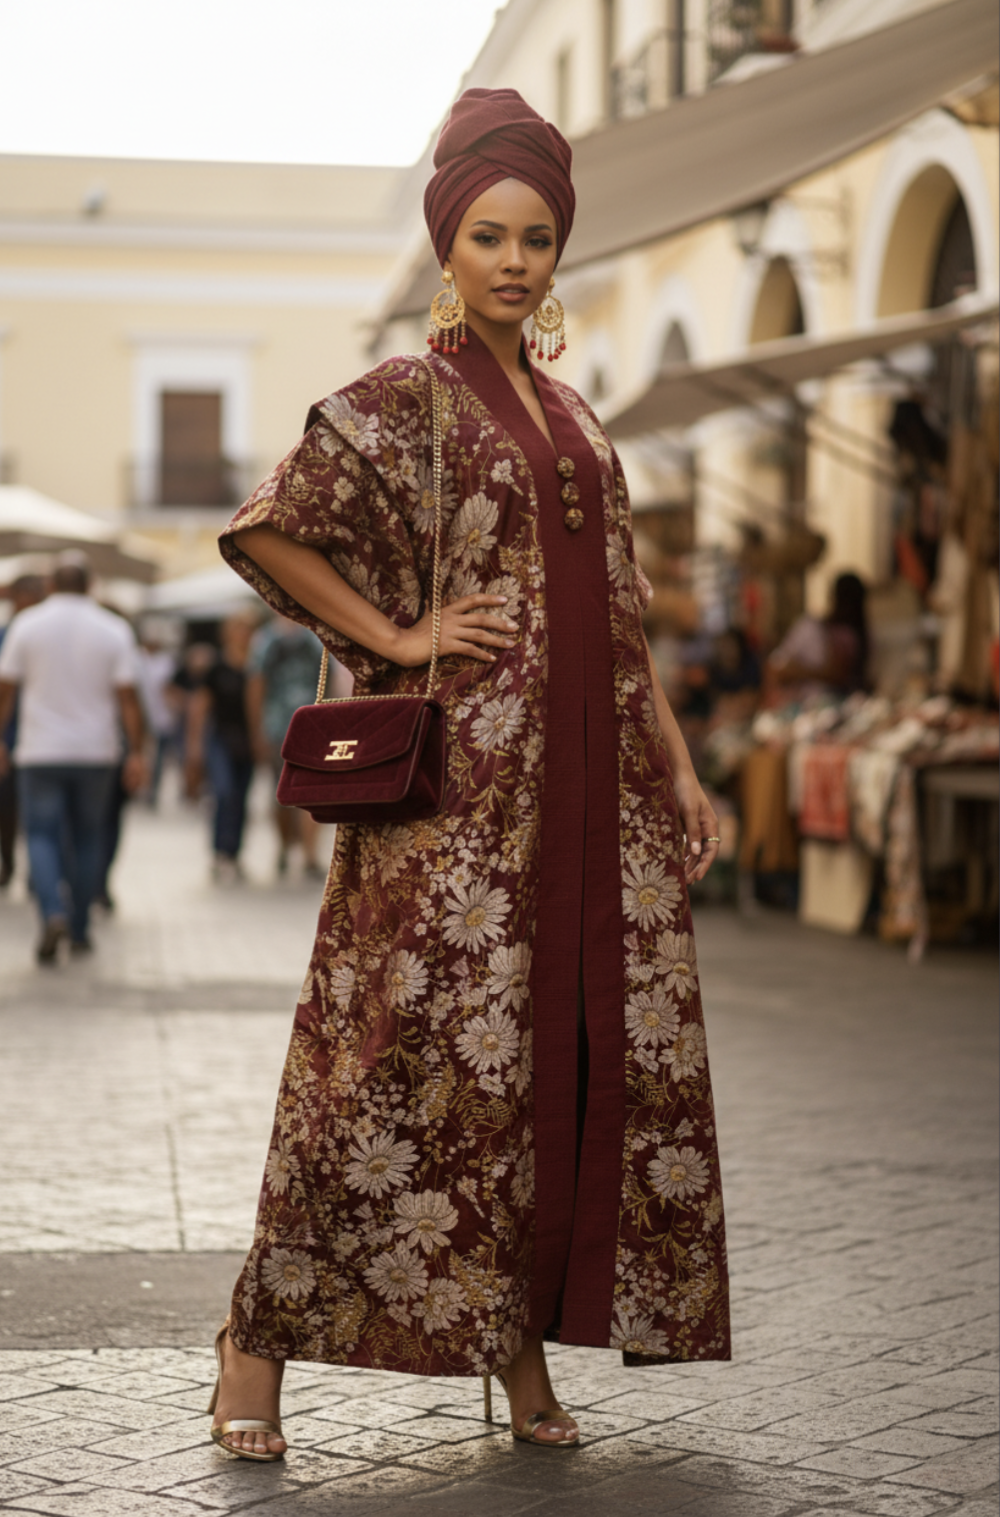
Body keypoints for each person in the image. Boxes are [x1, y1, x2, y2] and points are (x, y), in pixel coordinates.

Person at [208, 88, 730, 1462]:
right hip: (457, 816)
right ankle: (252, 1347)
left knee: (549, 1069)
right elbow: (273, 528)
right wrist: (397, 634)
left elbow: (620, 612)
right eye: (490, 234)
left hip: (592, 802)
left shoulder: (574, 409)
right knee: (382, 1067)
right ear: (450, 245)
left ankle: (519, 1354)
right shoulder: (407, 395)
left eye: (538, 236)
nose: (515, 259)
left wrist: (673, 767)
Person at [0, 555, 145, 962]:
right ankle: (80, 927)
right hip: (96, 752)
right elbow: (128, 699)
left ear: (50, 584)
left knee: (41, 836)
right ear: (90, 585)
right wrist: (136, 751)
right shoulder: (113, 629)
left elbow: (5, 691)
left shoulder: (26, 626)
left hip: (39, 750)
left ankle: (51, 912)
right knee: (88, 837)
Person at [245, 615, 334, 880]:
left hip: (310, 727)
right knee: (283, 795)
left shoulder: (314, 639)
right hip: (279, 728)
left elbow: (329, 681)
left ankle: (308, 854)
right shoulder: (267, 640)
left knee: (311, 793)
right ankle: (286, 846)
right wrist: (258, 730)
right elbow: (256, 686)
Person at [185, 614, 257, 881]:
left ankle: (234, 852)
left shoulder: (256, 665)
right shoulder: (216, 667)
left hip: (248, 739)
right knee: (224, 793)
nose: (243, 635)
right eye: (238, 629)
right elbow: (200, 707)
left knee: (241, 797)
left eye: (247, 629)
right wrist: (194, 747)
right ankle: (220, 851)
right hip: (221, 738)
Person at [0, 574, 47, 888]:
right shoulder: (9, 632)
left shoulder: (35, 631)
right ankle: (13, 864)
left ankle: (38, 870)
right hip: (15, 732)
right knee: (8, 804)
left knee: (35, 809)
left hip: (36, 735)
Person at [766, 571, 870, 702]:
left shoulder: (849, 635)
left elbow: (837, 675)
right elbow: (776, 669)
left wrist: (800, 671)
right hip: (800, 704)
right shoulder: (811, 627)